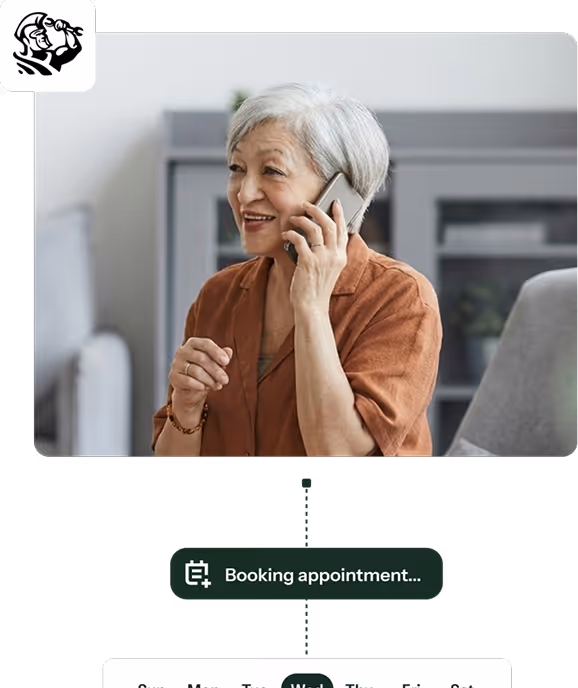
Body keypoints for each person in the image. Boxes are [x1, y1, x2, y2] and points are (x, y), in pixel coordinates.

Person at [152, 83, 442, 457]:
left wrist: (310, 307)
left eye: (272, 170)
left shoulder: (402, 300)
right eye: (237, 169)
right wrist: (186, 409)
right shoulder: (218, 295)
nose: (244, 192)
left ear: (341, 193)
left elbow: (337, 453)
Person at [13, 13, 82, 75]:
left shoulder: (52, 57)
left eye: (42, 32)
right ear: (26, 41)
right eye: (37, 34)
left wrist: (66, 29)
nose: (43, 36)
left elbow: (74, 48)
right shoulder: (18, 64)